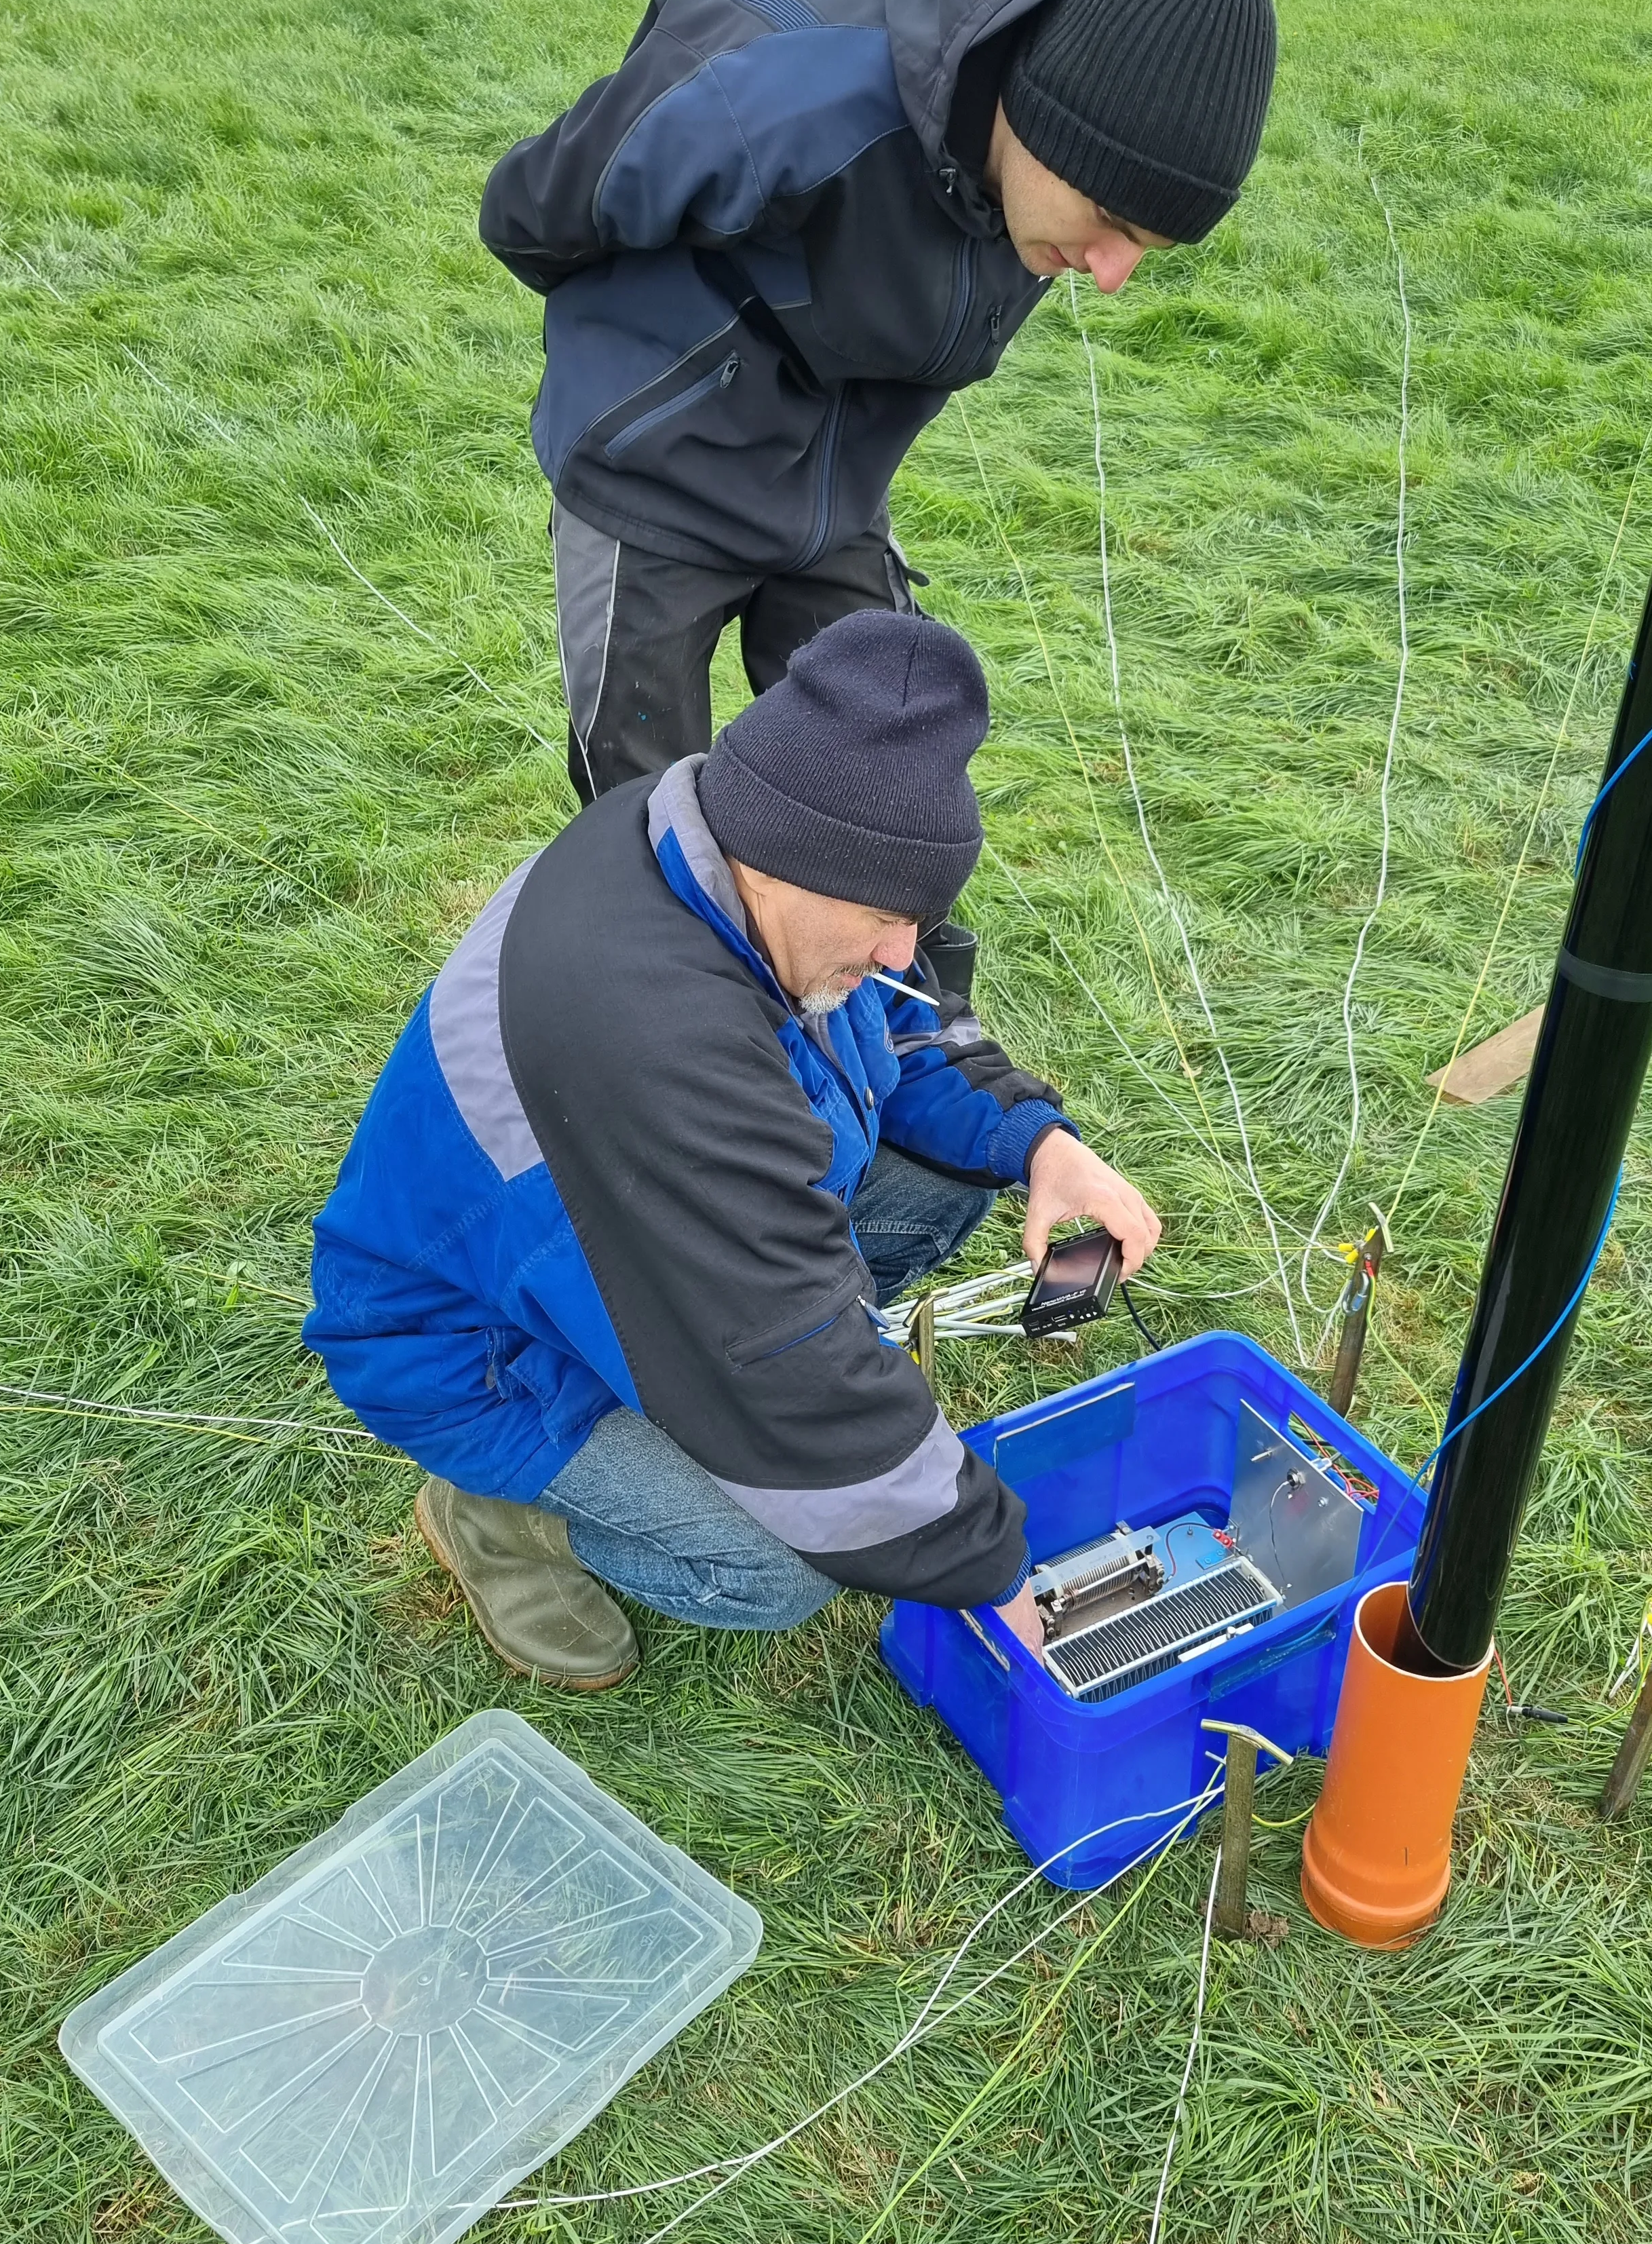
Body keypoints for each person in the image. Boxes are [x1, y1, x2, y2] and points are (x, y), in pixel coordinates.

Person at [305, 610, 1161, 1690]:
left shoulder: (723, 854)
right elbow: (784, 1368)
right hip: (479, 1349)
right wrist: (992, 1563)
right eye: (888, 919)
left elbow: (903, 1013)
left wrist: (1038, 1142)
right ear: (788, 862)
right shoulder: (649, 1044)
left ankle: (710, 1396)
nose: (907, 951)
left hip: (633, 1243)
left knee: (952, 1174)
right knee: (781, 1569)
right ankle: (501, 1517)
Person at [480, 0, 1278, 805]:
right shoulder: (781, 86)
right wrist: (659, 370)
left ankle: (878, 953)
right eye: (1111, 223)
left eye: (1147, 250)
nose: (1109, 274)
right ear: (1049, 116)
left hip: (832, 498)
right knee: (645, 812)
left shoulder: (1037, 198)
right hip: (649, 483)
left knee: (885, 789)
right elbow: (534, 213)